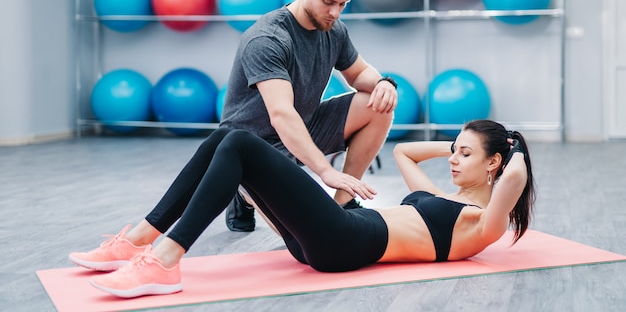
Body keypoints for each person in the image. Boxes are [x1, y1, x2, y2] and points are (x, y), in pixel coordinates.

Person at [68, 119, 536, 299]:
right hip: (331, 236)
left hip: (347, 240)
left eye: (465, 155)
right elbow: (405, 152)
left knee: (241, 143)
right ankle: (138, 241)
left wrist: (511, 145)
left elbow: (515, 178)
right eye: (454, 152)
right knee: (224, 137)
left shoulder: (483, 222)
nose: (453, 160)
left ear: (495, 163)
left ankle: (165, 260)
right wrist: (460, 143)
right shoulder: (447, 199)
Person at [218, 0, 398, 231]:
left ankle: (343, 203)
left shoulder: (334, 29)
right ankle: (243, 190)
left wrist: (384, 83)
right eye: (328, 2)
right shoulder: (268, 38)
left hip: (303, 125)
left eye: (343, 4)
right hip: (255, 147)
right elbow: (281, 115)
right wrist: (326, 172)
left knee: (378, 105)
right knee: (303, 232)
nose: (335, 13)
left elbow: (359, 73)